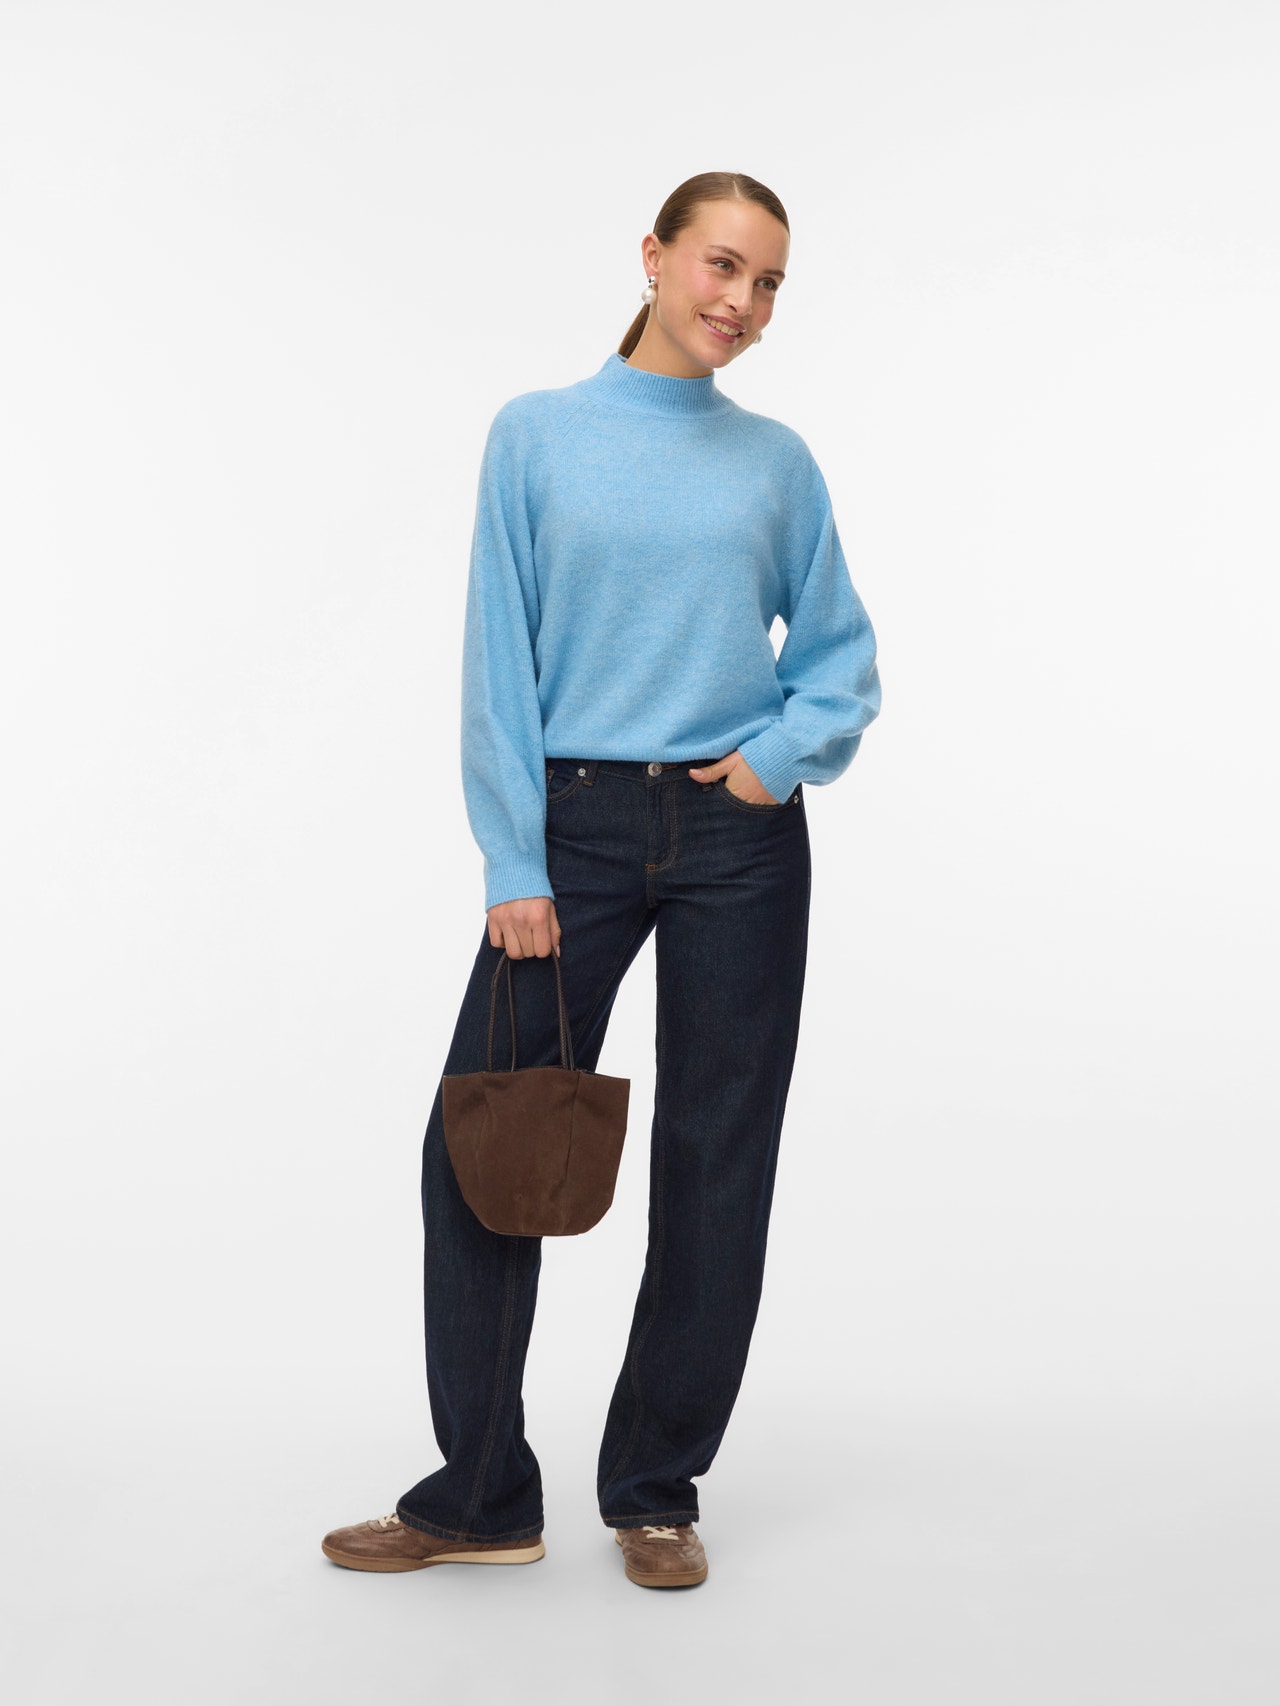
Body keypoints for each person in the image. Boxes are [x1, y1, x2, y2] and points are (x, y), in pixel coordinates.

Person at [321, 170, 882, 1589]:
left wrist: (772, 762)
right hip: (569, 829)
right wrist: (513, 854)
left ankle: (654, 1489)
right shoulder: (538, 435)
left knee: (715, 1156)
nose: (741, 302)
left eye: (768, 282)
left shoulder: (776, 463)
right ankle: (479, 1493)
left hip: (739, 841)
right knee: (482, 1143)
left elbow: (841, 661)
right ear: (654, 255)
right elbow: (495, 657)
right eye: (721, 264)